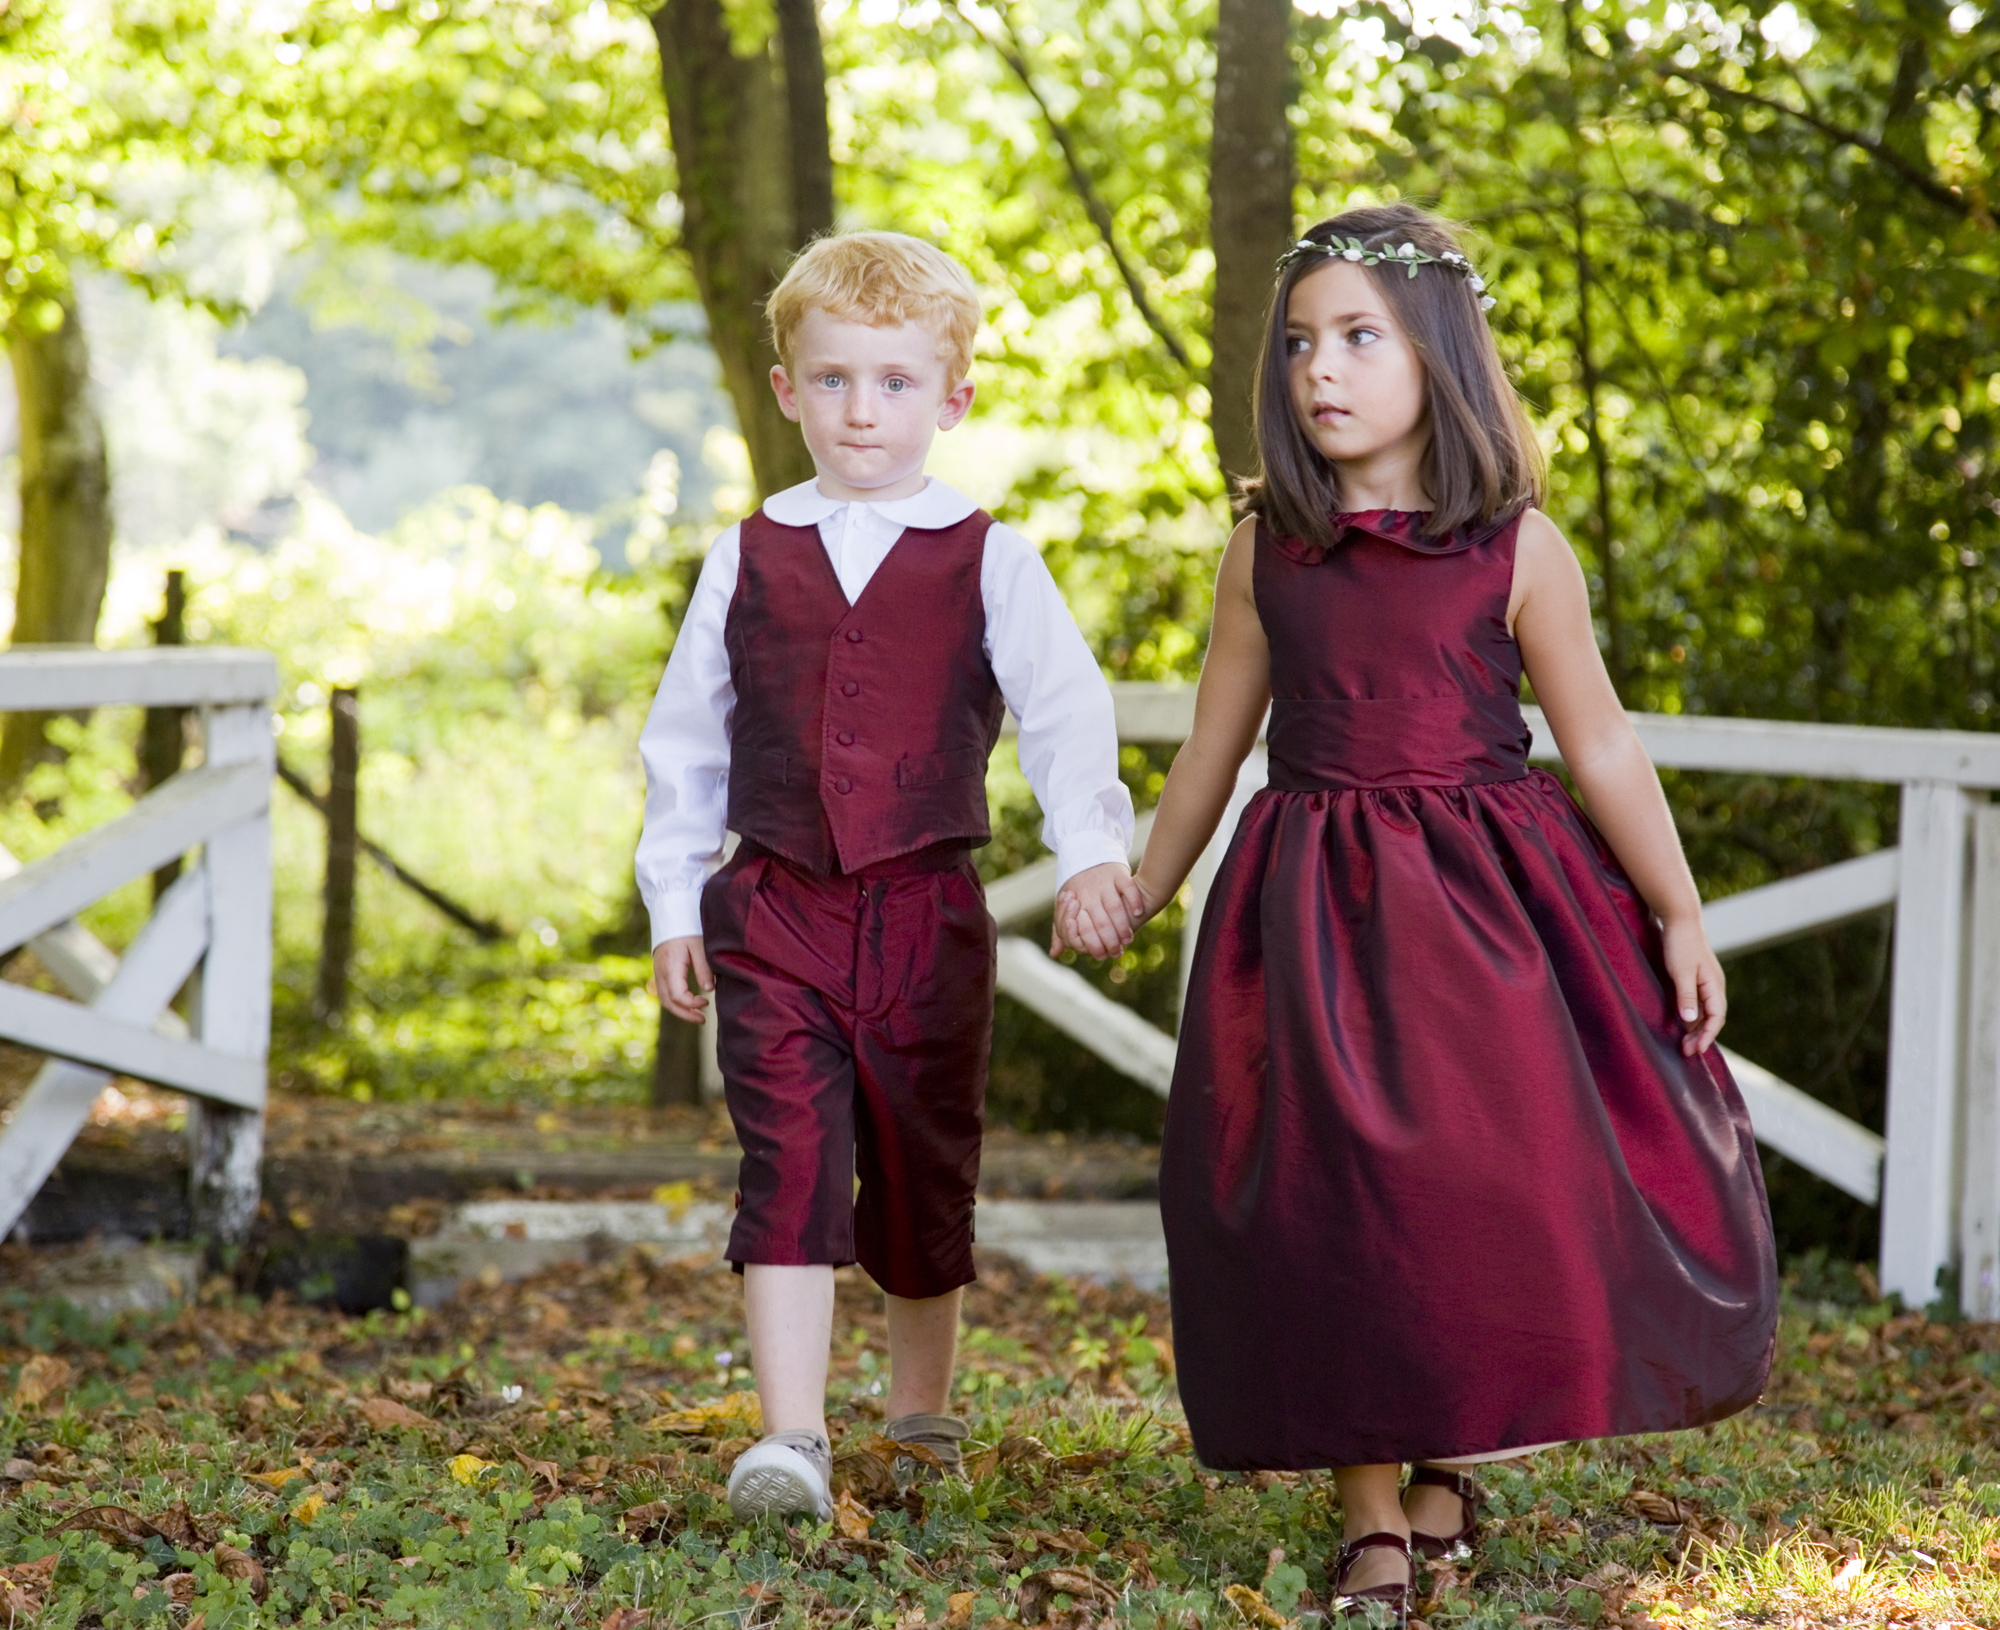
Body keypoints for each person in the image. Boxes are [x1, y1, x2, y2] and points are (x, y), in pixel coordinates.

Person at [1061, 203, 1778, 1623]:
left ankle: (1450, 1453)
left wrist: (1680, 909)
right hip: (1310, 916)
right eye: (1301, 343)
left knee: (1466, 1196)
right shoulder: (1269, 548)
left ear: (1437, 355)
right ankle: (1371, 1508)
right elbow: (1213, 744)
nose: (1320, 369)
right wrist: (1148, 876)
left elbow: (1606, 746)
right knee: (1330, 1205)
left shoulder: (1517, 550)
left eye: (1358, 338)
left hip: (1494, 920)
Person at [637, 230, 1138, 1524]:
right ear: (787, 387)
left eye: (898, 381)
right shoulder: (747, 554)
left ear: (954, 395)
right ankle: (792, 1438)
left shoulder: (992, 556)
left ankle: (919, 1418)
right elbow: (687, 740)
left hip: (926, 911)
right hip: (775, 906)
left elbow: (1066, 715)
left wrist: (1091, 850)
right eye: (838, 378)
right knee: (789, 1156)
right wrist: (674, 896)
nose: (866, 409)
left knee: (923, 1161)